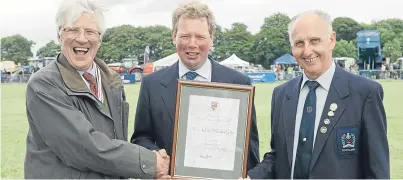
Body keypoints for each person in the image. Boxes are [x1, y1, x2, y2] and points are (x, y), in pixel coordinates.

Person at [24, 0, 170, 179]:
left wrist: (150, 169)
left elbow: (115, 145)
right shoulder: (43, 84)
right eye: (73, 30)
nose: (82, 38)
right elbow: (83, 147)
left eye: (90, 31)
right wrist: (149, 162)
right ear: (59, 35)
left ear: (100, 39)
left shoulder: (112, 81)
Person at [247, 10, 389, 179]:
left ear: (331, 40)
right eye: (299, 43)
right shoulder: (281, 94)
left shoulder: (365, 93)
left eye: (314, 41)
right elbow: (279, 157)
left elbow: (377, 171)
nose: (307, 51)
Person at [130, 0, 260, 172]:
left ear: (211, 38)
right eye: (185, 36)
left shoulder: (238, 84)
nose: (192, 43)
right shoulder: (151, 84)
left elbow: (249, 149)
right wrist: (157, 157)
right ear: (174, 36)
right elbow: (141, 138)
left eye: (200, 36)